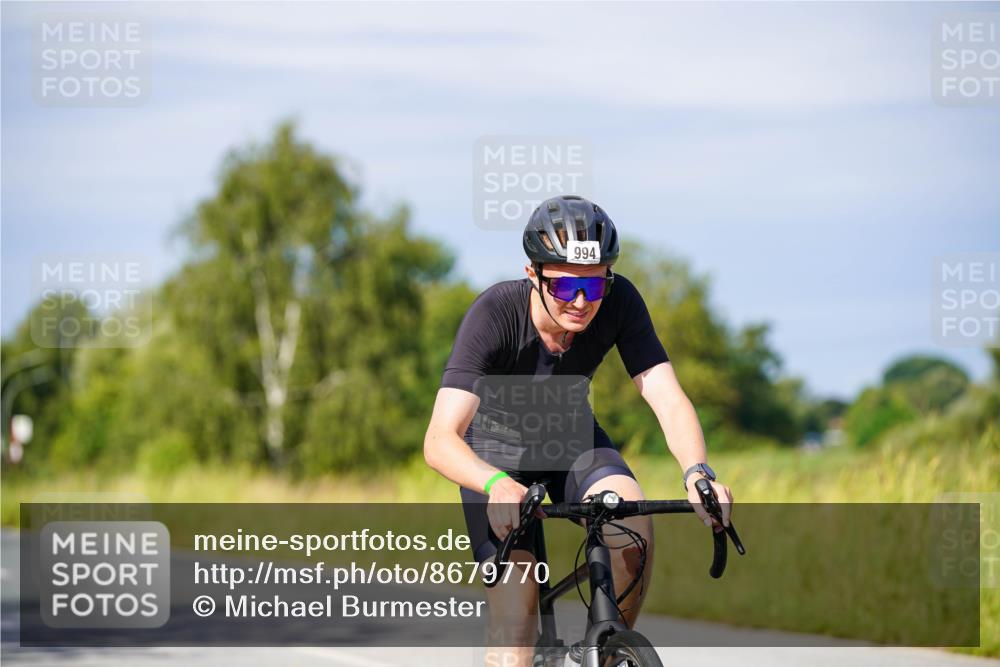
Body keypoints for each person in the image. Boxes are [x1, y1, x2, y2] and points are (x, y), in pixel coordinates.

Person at [423, 195, 733, 666]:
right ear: (534, 275)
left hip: (571, 439)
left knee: (633, 524)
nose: (583, 302)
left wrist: (697, 471)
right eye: (567, 287)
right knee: (516, 614)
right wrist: (495, 484)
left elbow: (665, 394)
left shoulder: (620, 301)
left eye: (594, 284)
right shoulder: (495, 314)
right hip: (493, 453)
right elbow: (439, 439)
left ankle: (604, 651)